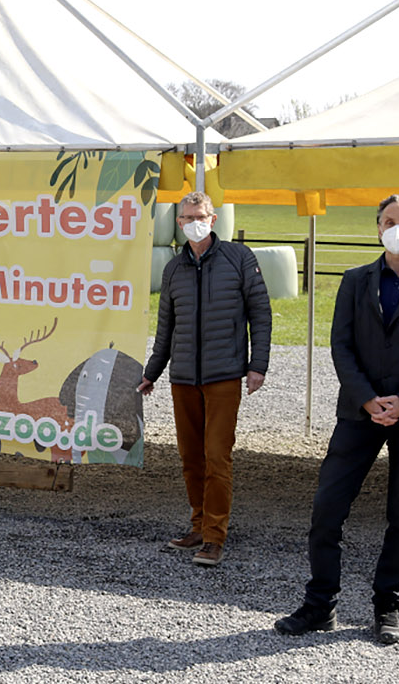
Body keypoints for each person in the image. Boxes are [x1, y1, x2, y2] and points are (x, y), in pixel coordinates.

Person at [275, 194, 399, 645]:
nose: (397, 227)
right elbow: (341, 345)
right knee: (327, 510)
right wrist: (367, 399)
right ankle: (321, 604)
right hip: (359, 412)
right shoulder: (355, 280)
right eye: (389, 220)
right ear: (378, 228)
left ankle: (388, 608)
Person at [139, 191, 271, 567]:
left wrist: (257, 365)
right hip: (183, 377)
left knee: (217, 458)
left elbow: (260, 314)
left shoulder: (239, 258)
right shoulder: (173, 269)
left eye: (200, 215)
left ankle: (215, 537)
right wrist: (152, 372)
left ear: (213, 219)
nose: (193, 222)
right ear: (178, 224)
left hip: (224, 375)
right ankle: (197, 525)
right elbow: (166, 327)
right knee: (190, 458)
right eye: (186, 218)